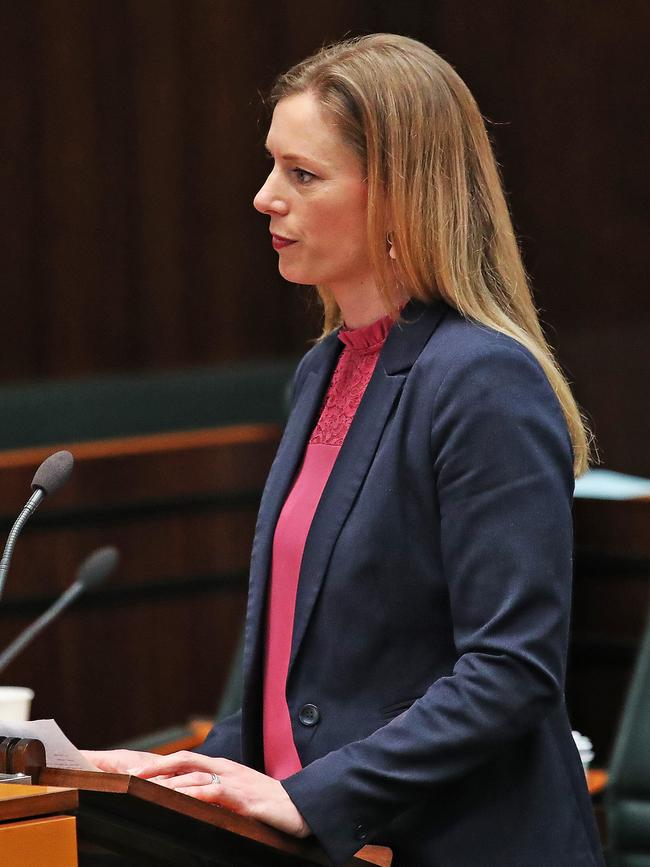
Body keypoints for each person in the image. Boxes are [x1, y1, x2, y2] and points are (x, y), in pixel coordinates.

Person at [83, 34, 605, 867]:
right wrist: (194, 770)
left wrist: (310, 795)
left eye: (303, 174)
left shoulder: (482, 378)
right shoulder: (325, 369)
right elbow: (313, 679)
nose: (263, 198)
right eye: (271, 167)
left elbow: (510, 671)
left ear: (398, 197)